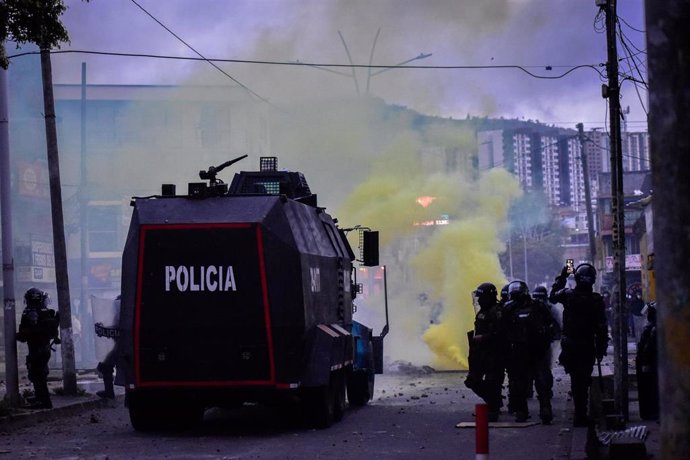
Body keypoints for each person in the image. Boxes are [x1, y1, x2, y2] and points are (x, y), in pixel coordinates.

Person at [549, 263, 609, 427]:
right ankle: (581, 413)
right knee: (583, 379)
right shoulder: (596, 300)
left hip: (571, 346)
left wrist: (563, 274)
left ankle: (580, 413)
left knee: (577, 380)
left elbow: (552, 296)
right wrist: (601, 348)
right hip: (587, 346)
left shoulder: (568, 295)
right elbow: (602, 328)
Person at [503, 280, 557, 424]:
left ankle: (527, 411)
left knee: (525, 382)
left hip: (526, 351)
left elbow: (502, 331)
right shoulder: (537, 306)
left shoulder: (511, 309)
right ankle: (540, 409)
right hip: (531, 350)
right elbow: (552, 325)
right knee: (536, 381)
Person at [465, 282, 506, 422]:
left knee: (492, 382)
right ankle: (494, 401)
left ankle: (493, 408)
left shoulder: (498, 311)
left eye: (481, 297)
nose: (479, 300)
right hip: (482, 354)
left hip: (495, 354)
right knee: (472, 381)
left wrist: (484, 338)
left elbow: (502, 334)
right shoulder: (482, 313)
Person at [16, 287, 61, 409]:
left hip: (37, 349)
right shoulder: (45, 312)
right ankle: (40, 398)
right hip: (44, 348)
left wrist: (17, 335)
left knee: (37, 376)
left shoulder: (32, 312)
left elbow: (28, 333)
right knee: (40, 375)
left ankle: (43, 401)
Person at [94, 295, 121, 399]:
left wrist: (104, 329)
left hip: (121, 347)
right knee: (106, 366)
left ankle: (109, 392)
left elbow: (117, 329)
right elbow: (114, 329)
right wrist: (103, 329)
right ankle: (109, 392)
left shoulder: (124, 316)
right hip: (120, 346)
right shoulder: (121, 315)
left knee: (105, 366)